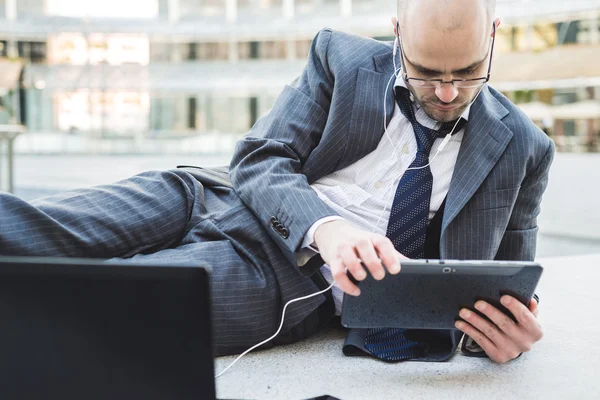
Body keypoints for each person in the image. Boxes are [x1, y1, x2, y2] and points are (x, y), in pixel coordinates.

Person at [0, 0, 551, 364]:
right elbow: (260, 158)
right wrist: (327, 228)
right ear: (398, 31)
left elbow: (505, 285)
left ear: (495, 34)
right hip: (201, 195)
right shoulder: (340, 57)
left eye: (469, 71)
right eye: (428, 72)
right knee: (34, 225)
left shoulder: (524, 149)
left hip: (280, 278)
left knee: (84, 309)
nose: (449, 92)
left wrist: (502, 340)